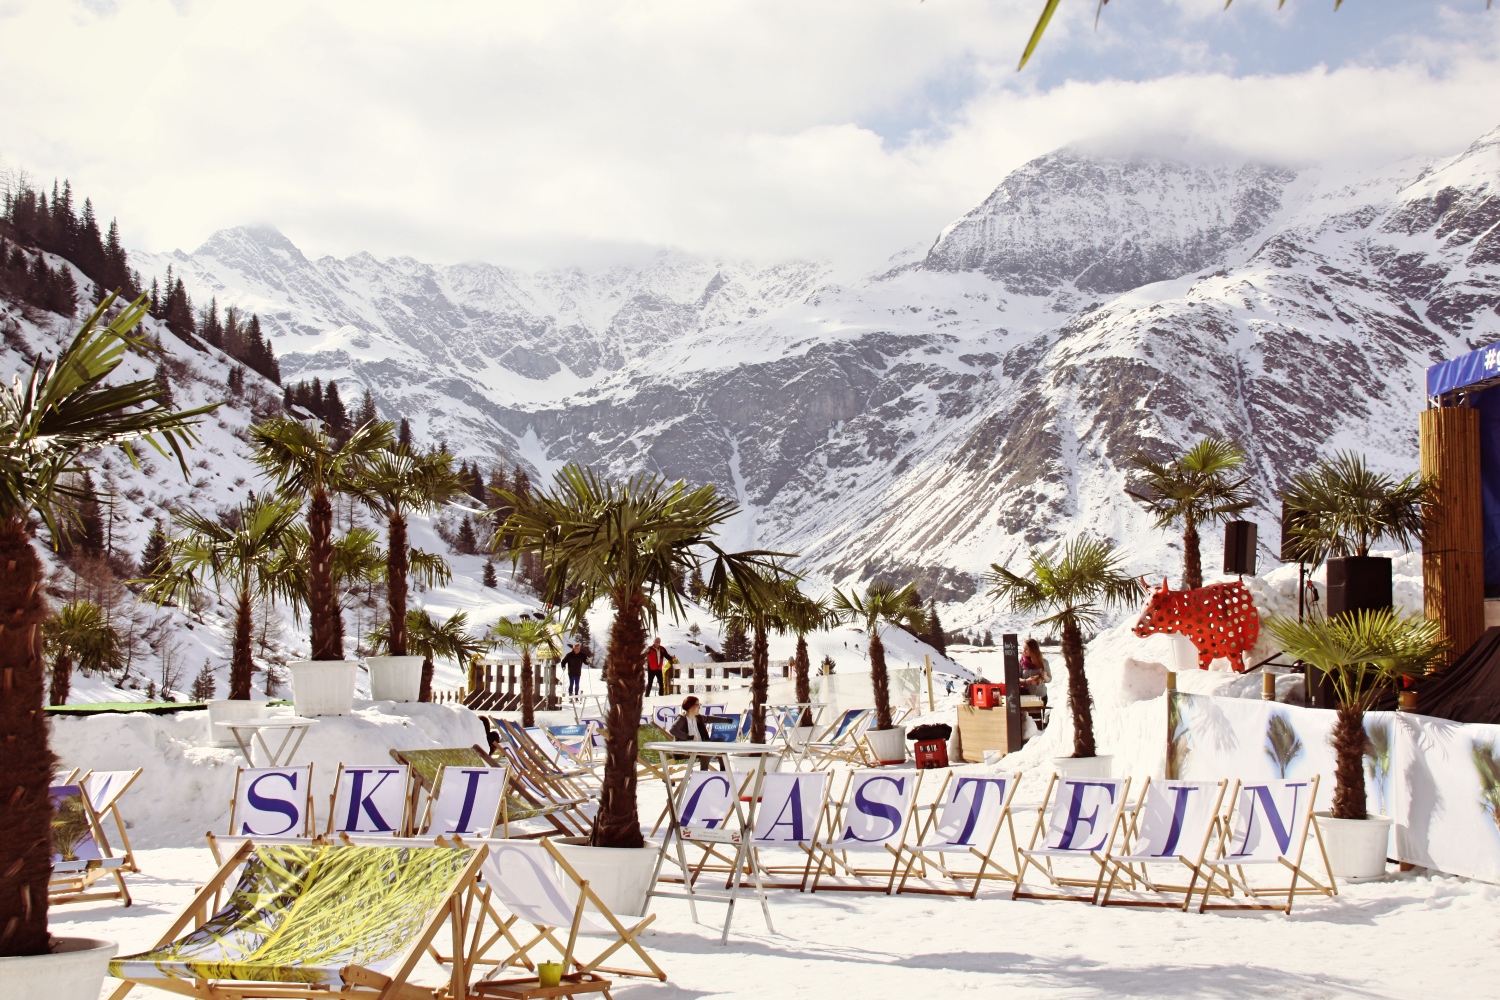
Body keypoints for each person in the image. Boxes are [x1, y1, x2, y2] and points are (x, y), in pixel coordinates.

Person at [669, 695, 734, 769]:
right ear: (691, 706)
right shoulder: (682, 718)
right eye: (698, 705)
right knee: (706, 749)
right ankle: (703, 772)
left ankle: (724, 769)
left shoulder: (698, 718)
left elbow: (710, 719)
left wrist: (727, 720)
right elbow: (672, 729)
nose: (699, 707)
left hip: (701, 746)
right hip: (686, 749)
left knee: (720, 742)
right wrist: (688, 737)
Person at [1019, 637, 1050, 704]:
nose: (1024, 651)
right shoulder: (1021, 662)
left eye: (1026, 649)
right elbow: (1015, 679)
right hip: (1025, 696)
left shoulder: (1044, 662)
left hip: (1041, 696)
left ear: (1033, 650)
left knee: (1038, 714)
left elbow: (1049, 680)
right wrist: (1027, 681)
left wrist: (1045, 676)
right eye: (1023, 649)